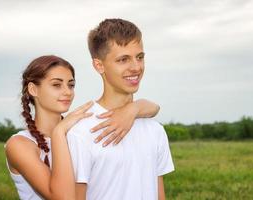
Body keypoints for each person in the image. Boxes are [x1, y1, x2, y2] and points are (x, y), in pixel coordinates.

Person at [5, 55, 161, 199]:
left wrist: (135, 107)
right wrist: (59, 132)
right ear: (33, 89)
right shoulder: (19, 145)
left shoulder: (77, 133)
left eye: (71, 85)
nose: (67, 92)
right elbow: (61, 197)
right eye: (56, 85)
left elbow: (154, 108)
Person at [67, 18, 175, 200]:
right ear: (99, 65)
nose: (136, 67)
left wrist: (134, 108)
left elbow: (159, 195)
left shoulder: (155, 130)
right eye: (123, 59)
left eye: (140, 57)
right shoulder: (81, 131)